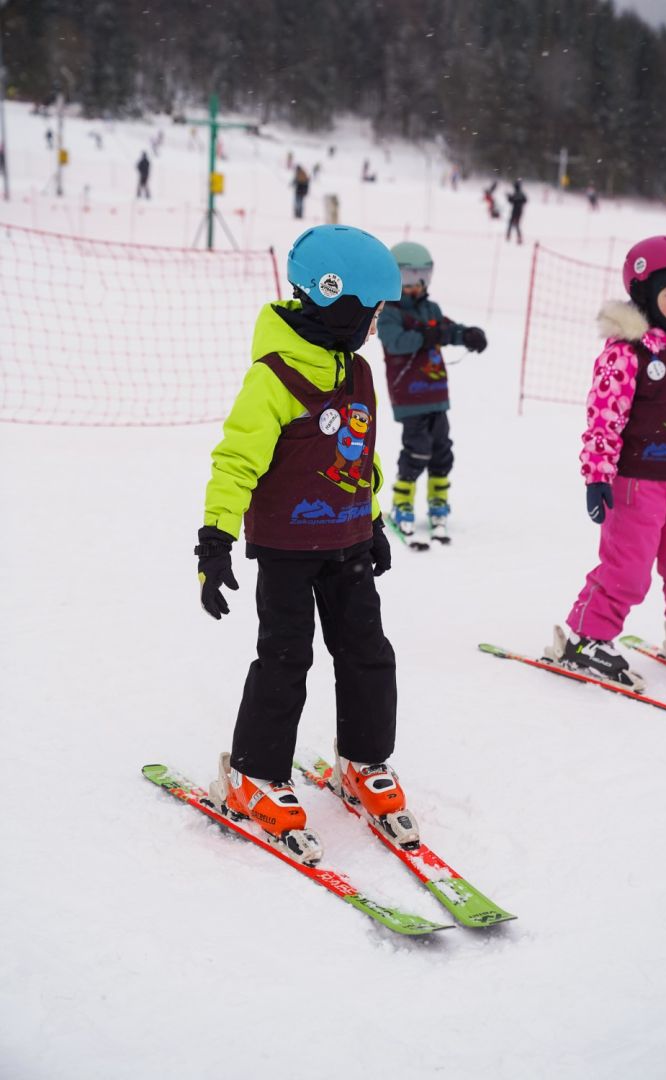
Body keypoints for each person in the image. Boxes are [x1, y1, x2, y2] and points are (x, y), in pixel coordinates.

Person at [196, 224, 419, 864]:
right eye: (370, 313)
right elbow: (235, 462)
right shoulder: (272, 378)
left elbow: (361, 459)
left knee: (368, 652)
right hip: (287, 551)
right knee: (286, 659)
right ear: (334, 301)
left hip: (348, 545)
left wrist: (373, 522)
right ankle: (254, 775)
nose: (374, 326)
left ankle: (364, 760)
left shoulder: (358, 372)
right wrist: (214, 540)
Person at [552, 235, 666, 687]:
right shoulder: (626, 353)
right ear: (645, 294)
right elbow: (604, 419)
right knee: (627, 568)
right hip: (634, 484)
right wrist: (597, 477)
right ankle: (586, 638)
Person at [376, 241, 488, 543]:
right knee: (417, 449)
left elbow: (447, 329)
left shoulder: (431, 309)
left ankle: (438, 502)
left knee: (441, 450)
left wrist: (467, 335)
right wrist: (428, 335)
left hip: (436, 395)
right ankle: (402, 503)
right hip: (409, 396)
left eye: (423, 276)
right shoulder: (388, 312)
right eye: (409, 277)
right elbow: (395, 342)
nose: (417, 285)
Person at [506, 178, 527, 243]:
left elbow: (513, 201)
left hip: (517, 211)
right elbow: (513, 201)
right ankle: (511, 236)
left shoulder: (518, 193)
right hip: (517, 211)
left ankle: (514, 237)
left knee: (514, 223)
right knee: (513, 223)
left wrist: (510, 198)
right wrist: (509, 197)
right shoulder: (519, 193)